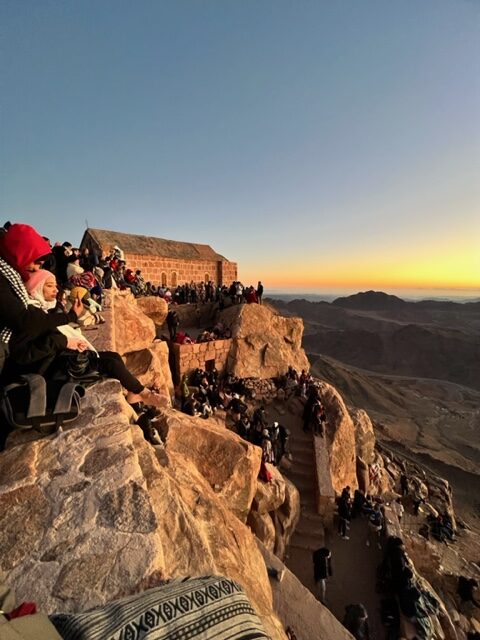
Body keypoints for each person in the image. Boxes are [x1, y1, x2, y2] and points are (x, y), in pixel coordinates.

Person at [0, 223, 163, 410]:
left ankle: (137, 392)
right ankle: (142, 393)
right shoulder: (24, 302)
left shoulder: (34, 300)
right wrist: (67, 327)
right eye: (36, 262)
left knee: (112, 356)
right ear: (22, 253)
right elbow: (30, 332)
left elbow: (41, 328)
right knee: (109, 362)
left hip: (52, 355)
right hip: (47, 364)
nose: (37, 267)